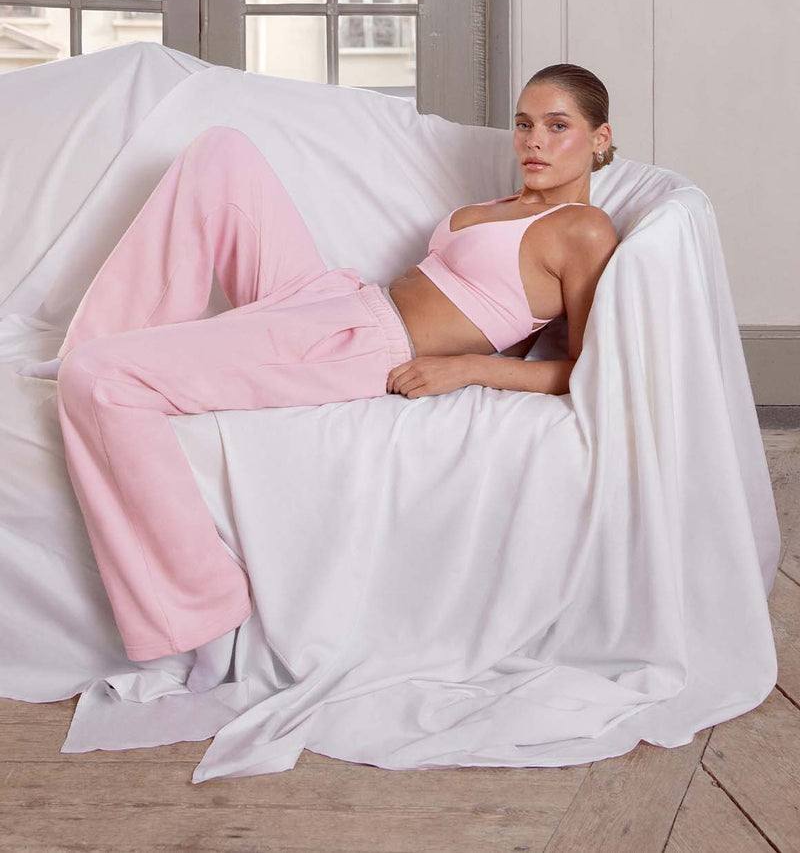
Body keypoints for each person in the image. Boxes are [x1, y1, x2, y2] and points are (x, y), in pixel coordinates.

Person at [18, 62, 619, 692]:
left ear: (600, 138)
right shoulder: (506, 205)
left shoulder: (584, 229)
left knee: (101, 379)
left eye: (558, 126)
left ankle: (201, 611)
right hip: (339, 299)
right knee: (220, 153)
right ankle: (98, 342)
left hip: (362, 345)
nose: (533, 141)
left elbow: (589, 367)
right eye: (524, 124)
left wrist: (469, 368)